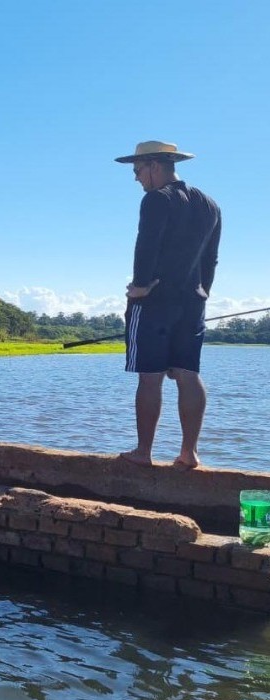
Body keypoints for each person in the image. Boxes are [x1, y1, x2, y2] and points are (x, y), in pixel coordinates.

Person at [114, 141, 221, 471]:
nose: (136, 178)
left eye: (137, 171)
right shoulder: (210, 205)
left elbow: (146, 245)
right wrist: (203, 291)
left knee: (150, 378)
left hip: (154, 302)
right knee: (189, 375)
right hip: (193, 301)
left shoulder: (156, 200)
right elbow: (211, 260)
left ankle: (143, 452)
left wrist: (139, 288)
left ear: (154, 166)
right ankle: (189, 453)